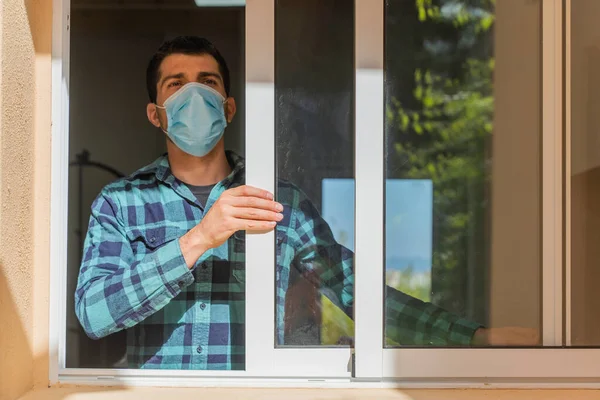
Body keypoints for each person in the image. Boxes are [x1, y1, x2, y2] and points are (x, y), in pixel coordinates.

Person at [75, 36, 538, 370]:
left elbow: (355, 290)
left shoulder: (281, 203)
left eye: (207, 82)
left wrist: (472, 338)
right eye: (176, 84)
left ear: (229, 106)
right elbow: (95, 315)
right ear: (155, 114)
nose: (194, 94)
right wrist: (198, 238)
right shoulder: (121, 203)